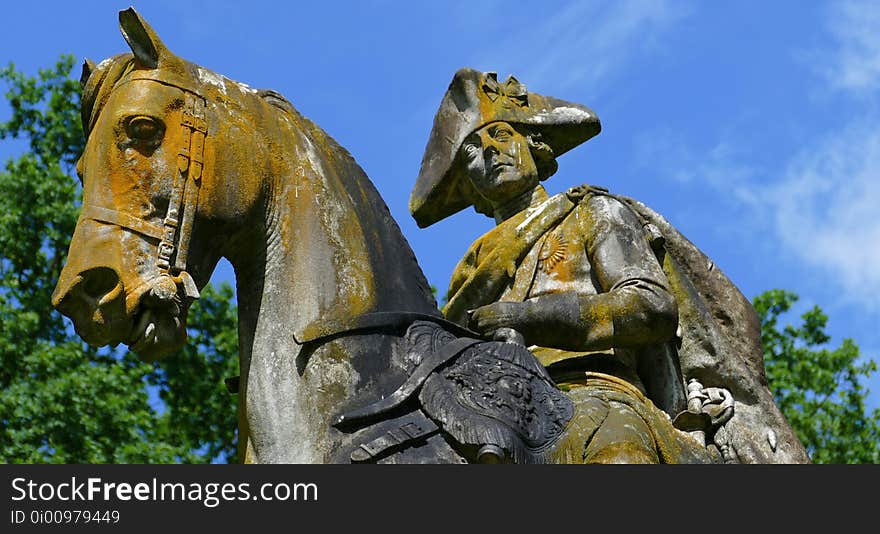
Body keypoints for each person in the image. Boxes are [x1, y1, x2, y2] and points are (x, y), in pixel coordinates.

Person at [410, 68, 717, 463]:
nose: (489, 150)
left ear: (535, 145)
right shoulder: (469, 270)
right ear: (467, 186)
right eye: (471, 150)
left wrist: (527, 317)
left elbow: (651, 307)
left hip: (593, 389)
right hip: (488, 410)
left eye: (502, 135)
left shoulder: (592, 212)